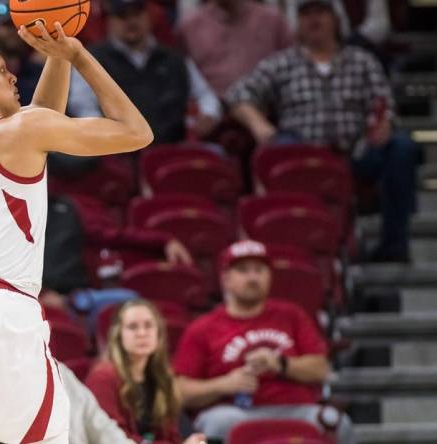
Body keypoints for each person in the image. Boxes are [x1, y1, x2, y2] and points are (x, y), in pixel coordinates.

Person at [0, 16, 155, 441]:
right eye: (1, 71)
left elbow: (39, 118)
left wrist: (55, 55)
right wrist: (78, 55)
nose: (13, 75)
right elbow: (137, 132)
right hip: (2, 313)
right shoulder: (20, 131)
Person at [226, 0, 420, 262]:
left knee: (402, 148)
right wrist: (259, 125)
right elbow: (238, 95)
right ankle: (291, 246)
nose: (314, 20)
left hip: (355, 154)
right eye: (306, 14)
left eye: (321, 12)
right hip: (300, 156)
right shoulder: (282, 63)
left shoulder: (362, 61)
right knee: (279, 149)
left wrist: (383, 124)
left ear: (336, 19)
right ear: (297, 23)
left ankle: (393, 245)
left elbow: (383, 106)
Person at [174, 240, 354, 443]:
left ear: (269, 276)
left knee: (336, 421)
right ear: (225, 278)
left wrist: (281, 363)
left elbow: (321, 368)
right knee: (218, 424)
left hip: (294, 410)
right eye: (243, 270)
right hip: (233, 411)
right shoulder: (202, 328)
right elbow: (179, 390)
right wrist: (224, 384)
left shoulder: (291, 315)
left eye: (259, 270)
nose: (253, 277)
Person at [68, 0, 221, 143]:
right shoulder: (91, 60)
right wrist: (101, 131)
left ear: (148, 16)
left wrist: (209, 113)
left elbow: (206, 94)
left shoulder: (174, 59)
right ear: (110, 21)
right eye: (123, 16)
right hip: (118, 152)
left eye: (137, 14)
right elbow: (81, 104)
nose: (132, 22)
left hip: (171, 146)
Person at [85, 299, 205, 444]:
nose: (142, 333)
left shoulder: (162, 376)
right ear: (118, 334)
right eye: (132, 327)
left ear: (158, 332)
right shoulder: (103, 378)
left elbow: (172, 433)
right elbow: (111, 438)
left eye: (148, 326)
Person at [177, 0, 292, 97]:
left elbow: (292, 67)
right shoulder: (190, 26)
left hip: (266, 114)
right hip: (213, 118)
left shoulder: (272, 21)